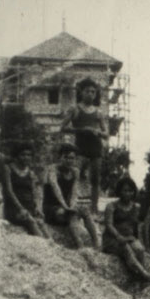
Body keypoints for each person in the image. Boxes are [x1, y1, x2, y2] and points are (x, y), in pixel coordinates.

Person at [60, 78, 108, 214]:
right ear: (81, 92)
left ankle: (94, 208)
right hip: (80, 147)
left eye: (93, 92)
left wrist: (99, 132)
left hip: (95, 147)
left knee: (95, 179)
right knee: (74, 175)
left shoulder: (98, 112)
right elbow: (62, 127)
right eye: (88, 91)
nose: (91, 94)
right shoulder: (75, 109)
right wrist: (82, 129)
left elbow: (106, 134)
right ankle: (70, 204)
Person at [41, 143, 100, 249]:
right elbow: (56, 189)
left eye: (72, 158)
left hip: (66, 206)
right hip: (51, 207)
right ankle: (79, 244)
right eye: (66, 157)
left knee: (85, 210)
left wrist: (72, 206)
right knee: (68, 214)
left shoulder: (75, 171)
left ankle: (96, 241)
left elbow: (74, 192)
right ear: (60, 157)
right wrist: (65, 207)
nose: (69, 161)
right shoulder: (52, 169)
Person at [102, 177, 150, 283]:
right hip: (113, 238)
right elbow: (109, 225)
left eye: (130, 191)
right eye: (125, 190)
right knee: (126, 248)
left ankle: (139, 276)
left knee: (139, 249)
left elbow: (136, 226)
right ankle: (144, 274)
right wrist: (119, 237)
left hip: (129, 237)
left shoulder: (136, 207)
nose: (128, 193)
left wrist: (138, 241)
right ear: (119, 191)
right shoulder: (112, 206)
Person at [0, 143, 50, 239]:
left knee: (41, 222)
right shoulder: (8, 169)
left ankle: (53, 246)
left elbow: (34, 192)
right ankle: (44, 246)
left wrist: (37, 207)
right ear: (17, 156)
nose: (26, 157)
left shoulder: (30, 172)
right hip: (14, 208)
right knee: (30, 221)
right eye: (23, 155)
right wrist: (21, 208)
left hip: (29, 206)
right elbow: (9, 191)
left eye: (29, 155)